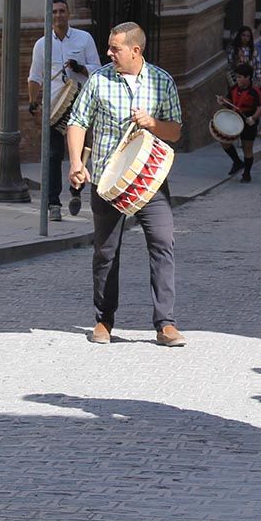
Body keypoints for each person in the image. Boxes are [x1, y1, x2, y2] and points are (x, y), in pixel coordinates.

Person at [66, 22, 187, 348]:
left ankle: (166, 324)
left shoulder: (162, 81)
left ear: (135, 50)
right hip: (108, 183)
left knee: (163, 245)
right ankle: (104, 320)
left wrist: (152, 123)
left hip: (150, 181)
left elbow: (175, 131)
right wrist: (77, 163)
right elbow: (78, 122)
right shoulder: (98, 80)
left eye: (114, 48)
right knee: (106, 252)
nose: (108, 53)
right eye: (109, 47)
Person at [28, 0, 102, 221]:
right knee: (52, 154)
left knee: (77, 153)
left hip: (79, 103)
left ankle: (76, 191)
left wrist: (80, 68)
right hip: (53, 107)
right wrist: (33, 103)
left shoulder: (84, 38)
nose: (58, 15)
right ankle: (53, 204)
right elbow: (35, 76)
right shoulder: (42, 44)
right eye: (54, 12)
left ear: (69, 14)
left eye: (62, 11)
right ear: (49, 17)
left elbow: (98, 69)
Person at [220, 64, 261, 183]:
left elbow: (260, 107)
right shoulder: (234, 88)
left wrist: (253, 118)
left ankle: (247, 174)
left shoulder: (255, 91)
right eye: (237, 77)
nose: (238, 79)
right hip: (234, 120)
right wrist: (223, 101)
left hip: (248, 121)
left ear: (248, 77)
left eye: (240, 77)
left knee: (247, 148)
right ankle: (237, 162)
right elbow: (229, 101)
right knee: (224, 141)